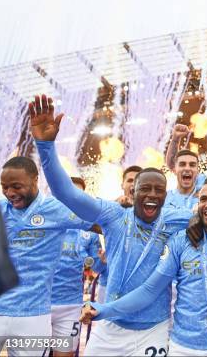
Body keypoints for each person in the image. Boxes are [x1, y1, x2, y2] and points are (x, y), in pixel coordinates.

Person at [29, 94, 192, 356]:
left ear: (165, 194)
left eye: (158, 190)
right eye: (145, 189)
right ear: (132, 192)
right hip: (110, 328)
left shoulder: (174, 218)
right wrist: (45, 147)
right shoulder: (114, 215)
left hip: (154, 328)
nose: (152, 194)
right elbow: (67, 194)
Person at [80, 177, 207, 356]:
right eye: (203, 199)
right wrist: (105, 309)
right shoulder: (180, 241)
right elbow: (149, 290)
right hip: (181, 346)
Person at [0, 156, 93, 357]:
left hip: (34, 316)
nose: (10, 193)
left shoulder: (55, 210)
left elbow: (103, 222)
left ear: (35, 180)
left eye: (16, 186)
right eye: (4, 187)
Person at [50, 177, 104, 357]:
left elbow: (98, 266)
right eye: (67, 193)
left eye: (76, 195)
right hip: (39, 305)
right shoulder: (45, 224)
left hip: (70, 306)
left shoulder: (89, 231)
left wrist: (103, 260)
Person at [97, 165, 141, 304]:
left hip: (137, 284)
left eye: (138, 180)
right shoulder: (108, 208)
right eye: (130, 180)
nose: (133, 184)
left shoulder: (153, 212)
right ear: (122, 184)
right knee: (104, 323)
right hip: (109, 280)